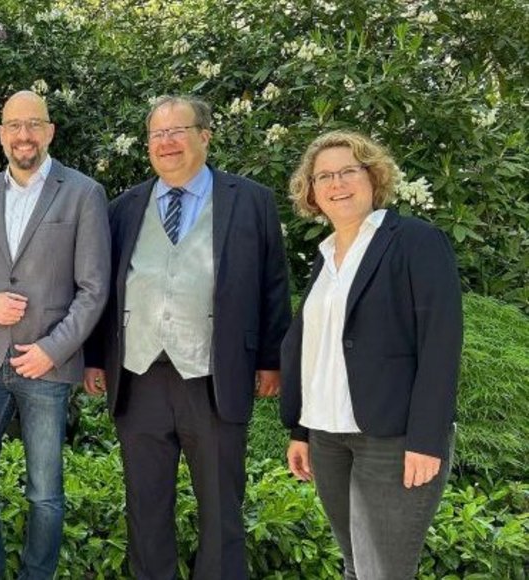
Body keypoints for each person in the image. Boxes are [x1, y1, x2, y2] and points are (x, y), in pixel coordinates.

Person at [83, 95, 291, 580]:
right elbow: (102, 288)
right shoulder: (123, 207)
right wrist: (95, 357)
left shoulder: (251, 200)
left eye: (178, 131)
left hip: (214, 377)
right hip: (139, 377)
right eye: (157, 134)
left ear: (205, 136)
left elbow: (273, 284)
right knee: (146, 507)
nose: (167, 143)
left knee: (221, 508)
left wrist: (270, 359)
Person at [0, 90, 110, 579]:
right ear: (1, 134)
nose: (23, 135)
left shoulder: (82, 193)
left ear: (50, 131)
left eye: (33, 124)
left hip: (47, 363)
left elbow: (93, 289)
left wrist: (52, 350)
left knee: (45, 493)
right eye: (14, 125)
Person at [281, 131, 462, 579]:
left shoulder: (415, 241)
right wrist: (302, 429)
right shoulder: (324, 258)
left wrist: (426, 438)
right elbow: (317, 352)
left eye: (347, 171)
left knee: (383, 572)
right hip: (327, 437)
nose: (336, 183)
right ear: (312, 191)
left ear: (373, 176)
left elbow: (441, 343)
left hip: (392, 438)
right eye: (324, 176)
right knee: (355, 567)